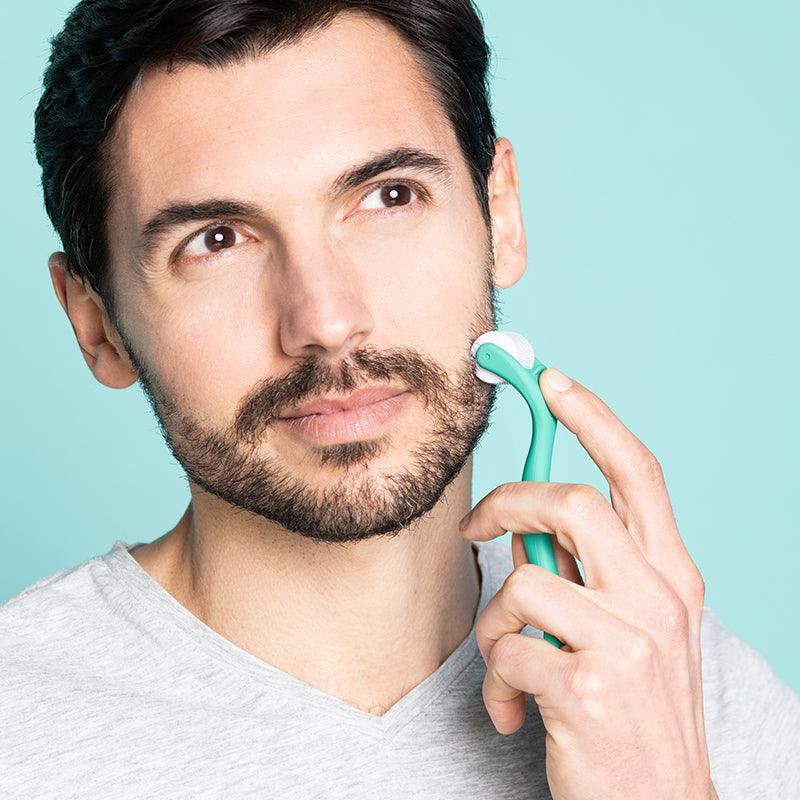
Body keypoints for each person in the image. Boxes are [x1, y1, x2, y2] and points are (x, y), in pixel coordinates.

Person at [2, 1, 798, 797]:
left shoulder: (668, 683)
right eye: (216, 240)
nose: (327, 320)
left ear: (501, 215)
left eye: (389, 197)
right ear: (95, 323)